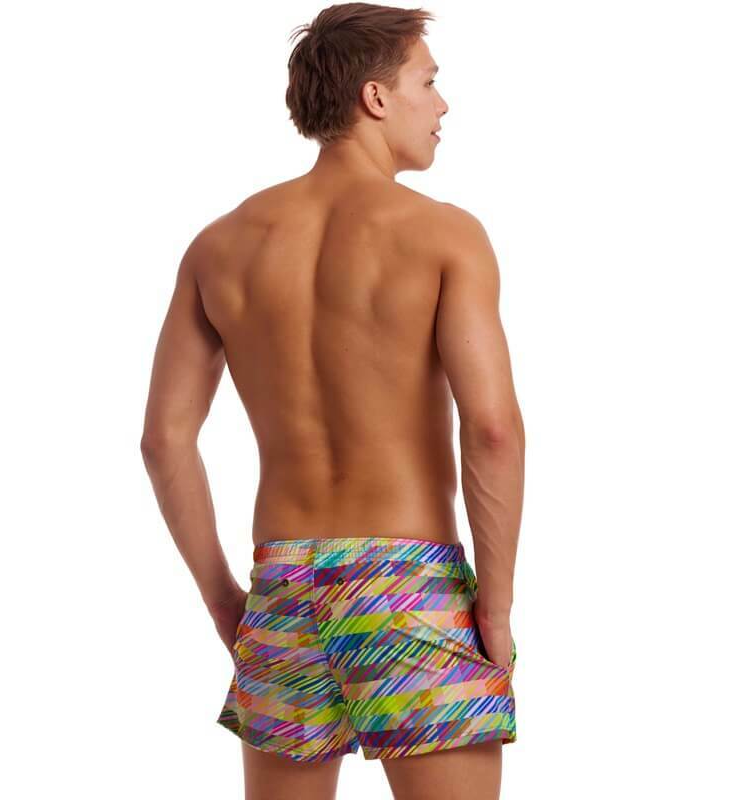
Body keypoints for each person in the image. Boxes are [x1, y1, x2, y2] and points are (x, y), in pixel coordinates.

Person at [140, 3, 524, 798]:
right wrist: (494, 610)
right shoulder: (443, 235)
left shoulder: (220, 246)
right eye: (429, 81)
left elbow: (164, 440)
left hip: (282, 582)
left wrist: (224, 600)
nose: (443, 104)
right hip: (407, 584)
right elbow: (491, 429)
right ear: (376, 97)